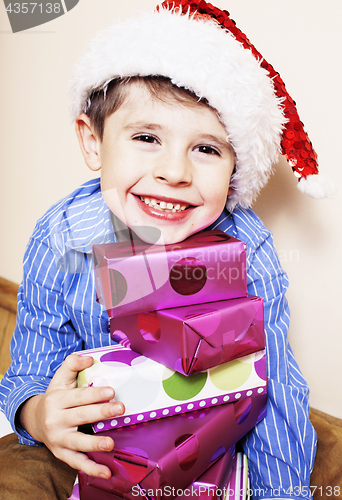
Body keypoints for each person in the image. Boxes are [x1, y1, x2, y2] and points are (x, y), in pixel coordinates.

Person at [0, 1, 334, 498]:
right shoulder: (64, 234)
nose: (175, 172)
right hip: (101, 452)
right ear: (93, 142)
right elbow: (31, 363)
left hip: (215, 453)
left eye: (207, 149)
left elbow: (277, 386)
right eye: (146, 137)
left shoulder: (246, 243)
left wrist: (282, 491)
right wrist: (38, 414)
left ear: (236, 168)